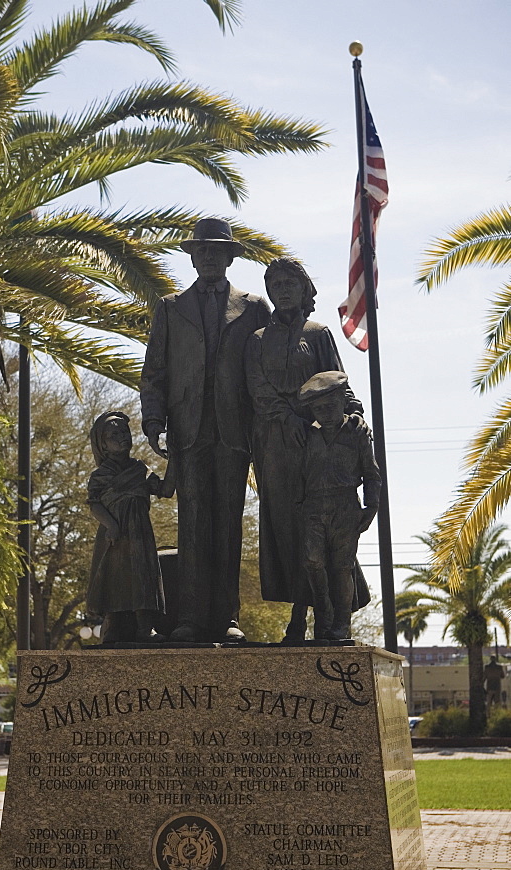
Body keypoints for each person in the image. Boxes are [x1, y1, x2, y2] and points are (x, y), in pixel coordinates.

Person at [140, 218, 271, 642]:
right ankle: (191, 618)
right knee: (193, 525)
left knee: (228, 525)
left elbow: (264, 371)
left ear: (231, 258)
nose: (210, 257)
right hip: (188, 430)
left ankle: (227, 617)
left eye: (218, 251)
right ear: (193, 257)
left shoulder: (253, 307)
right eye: (203, 251)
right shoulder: (171, 307)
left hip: (235, 432)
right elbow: (155, 371)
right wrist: (153, 420)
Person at [244, 257, 366, 639]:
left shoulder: (318, 333)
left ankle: (328, 614)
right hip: (275, 446)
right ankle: (299, 611)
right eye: (275, 283)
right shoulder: (257, 340)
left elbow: (336, 380)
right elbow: (257, 390)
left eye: (289, 283)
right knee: (286, 527)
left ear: (303, 289)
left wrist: (356, 412)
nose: (282, 289)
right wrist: (287, 418)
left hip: (317, 444)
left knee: (321, 528)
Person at [297, 371, 381, 641]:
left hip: (345, 505)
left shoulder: (357, 432)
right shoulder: (307, 435)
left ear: (342, 403)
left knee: (342, 566)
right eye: (318, 408)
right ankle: (324, 611)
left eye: (330, 406)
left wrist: (371, 507)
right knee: (312, 561)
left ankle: (341, 623)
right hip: (313, 506)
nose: (325, 413)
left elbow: (371, 473)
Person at [86, 411, 165, 643]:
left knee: (142, 574)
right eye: (114, 433)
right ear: (103, 444)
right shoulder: (100, 475)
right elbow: (94, 504)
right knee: (114, 577)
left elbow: (164, 490)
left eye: (124, 431)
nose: (122, 436)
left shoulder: (140, 469)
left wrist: (179, 461)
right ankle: (112, 626)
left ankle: (145, 627)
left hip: (139, 532)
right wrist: (110, 524)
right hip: (115, 534)